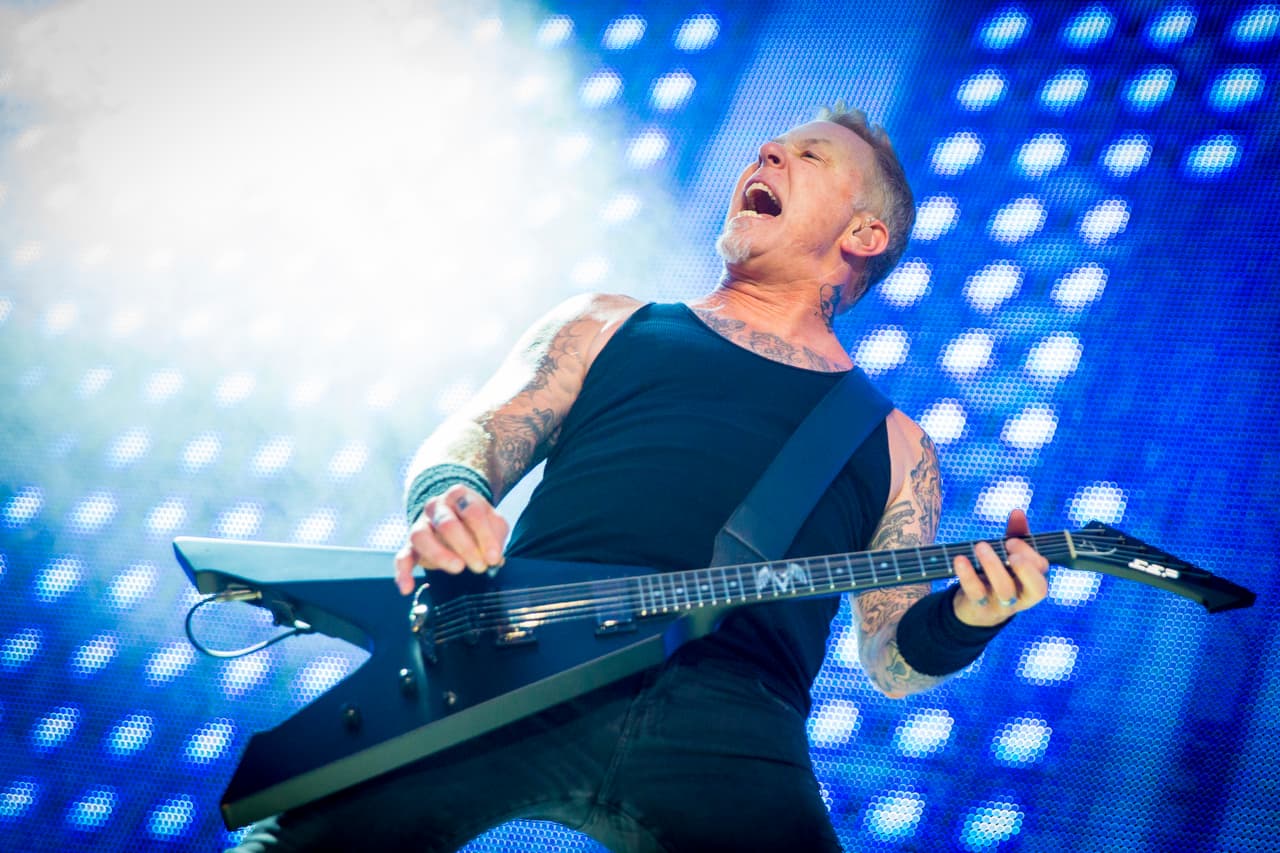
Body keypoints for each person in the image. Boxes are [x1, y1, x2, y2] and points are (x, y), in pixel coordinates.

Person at [231, 108, 1050, 852]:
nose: (767, 152)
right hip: (511, 656)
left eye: (808, 154)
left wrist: (970, 617)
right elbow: (481, 430)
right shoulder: (607, 323)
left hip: (732, 716)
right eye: (771, 145)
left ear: (865, 232)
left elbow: (891, 662)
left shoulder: (897, 443)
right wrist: (450, 493)